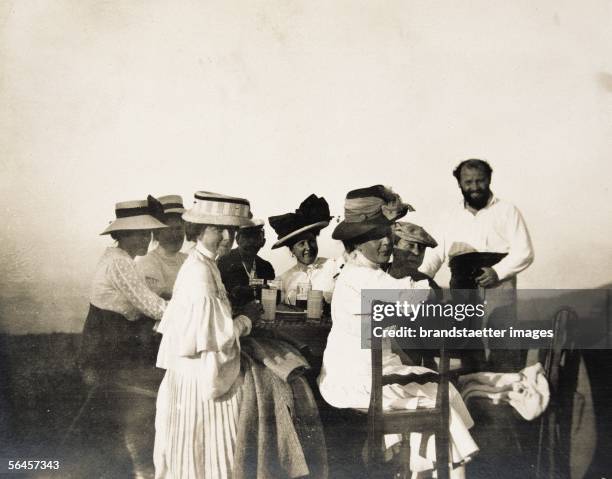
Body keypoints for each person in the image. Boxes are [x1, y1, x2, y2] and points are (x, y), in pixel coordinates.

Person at [318, 186, 478, 478]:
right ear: (357, 241)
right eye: (375, 236)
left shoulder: (361, 273)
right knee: (438, 402)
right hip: (359, 379)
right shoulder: (364, 278)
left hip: (371, 372)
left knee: (444, 395)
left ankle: (422, 471)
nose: (385, 242)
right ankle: (434, 472)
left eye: (387, 234)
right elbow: (419, 295)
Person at [153, 191, 262, 479]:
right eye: (218, 229)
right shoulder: (199, 271)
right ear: (199, 231)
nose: (227, 236)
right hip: (202, 382)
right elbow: (219, 339)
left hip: (196, 376)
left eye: (233, 229)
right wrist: (246, 319)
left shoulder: (205, 263)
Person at [420, 159, 535, 371]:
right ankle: (472, 396)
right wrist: (417, 281)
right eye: (468, 182)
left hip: (498, 285)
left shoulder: (508, 210)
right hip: (462, 287)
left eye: (480, 181)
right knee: (469, 345)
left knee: (502, 340)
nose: (474, 187)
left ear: (489, 179)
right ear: (459, 184)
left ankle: (504, 398)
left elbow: (524, 251)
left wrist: (498, 272)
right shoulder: (448, 216)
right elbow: (434, 255)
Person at [80, 197, 168, 382]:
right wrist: (190, 311)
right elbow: (153, 308)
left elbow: (146, 293)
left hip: (112, 337)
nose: (147, 239)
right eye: (140, 234)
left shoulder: (120, 258)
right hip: (109, 344)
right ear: (122, 235)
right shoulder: (120, 262)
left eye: (148, 233)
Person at [268, 194, 332, 305]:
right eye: (301, 244)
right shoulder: (283, 279)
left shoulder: (334, 266)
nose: (308, 247)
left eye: (311, 241)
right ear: (292, 250)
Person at [136, 195, 187, 300]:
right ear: (157, 232)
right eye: (169, 229)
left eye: (178, 228)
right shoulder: (148, 262)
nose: (175, 235)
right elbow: (160, 298)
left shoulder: (188, 259)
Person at [217, 219, 275, 309]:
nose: (251, 242)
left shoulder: (266, 267)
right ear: (237, 239)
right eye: (247, 237)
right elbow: (231, 294)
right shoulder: (224, 261)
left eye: (256, 237)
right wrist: (257, 290)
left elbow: (272, 297)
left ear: (263, 242)